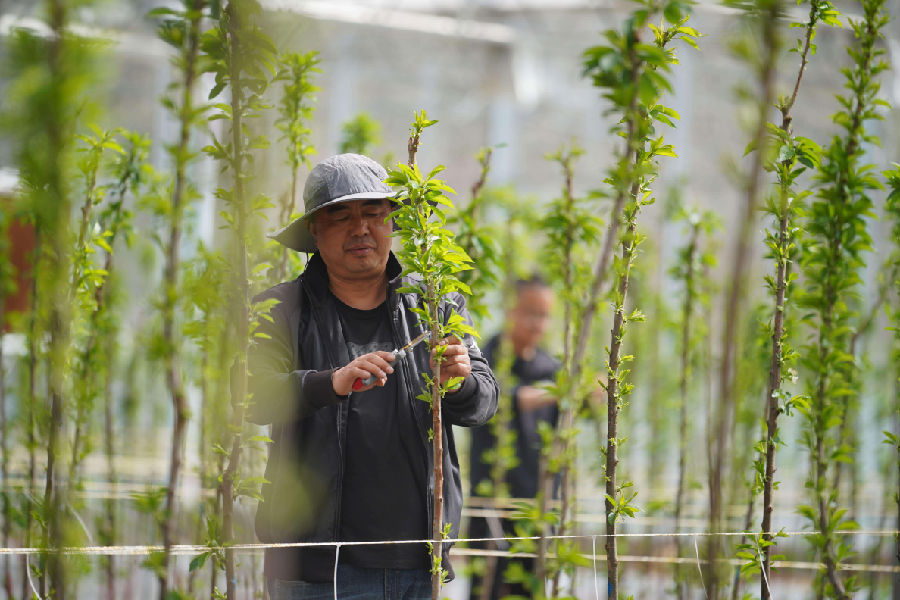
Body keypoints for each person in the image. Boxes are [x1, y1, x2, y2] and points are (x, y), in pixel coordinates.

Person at [247, 153, 499, 600]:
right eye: (340, 216)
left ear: (392, 221)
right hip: (318, 570)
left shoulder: (435, 304)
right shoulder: (282, 310)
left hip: (419, 565)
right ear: (314, 230)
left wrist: (459, 381)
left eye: (373, 213)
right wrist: (330, 382)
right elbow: (251, 396)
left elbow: (485, 402)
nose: (360, 228)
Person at [467, 275, 558, 600]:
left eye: (544, 315)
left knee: (531, 589)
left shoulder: (551, 367)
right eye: (531, 312)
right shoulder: (486, 357)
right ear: (510, 310)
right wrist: (556, 392)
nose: (538, 323)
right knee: (486, 588)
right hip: (492, 502)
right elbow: (503, 398)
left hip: (538, 505)